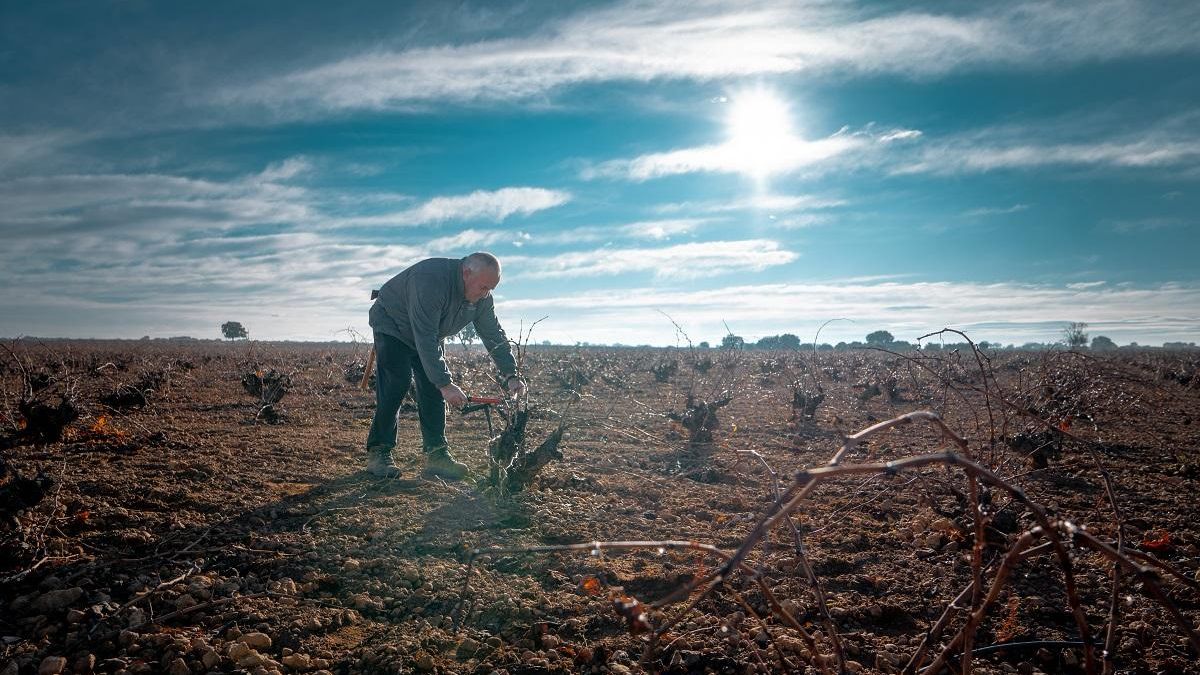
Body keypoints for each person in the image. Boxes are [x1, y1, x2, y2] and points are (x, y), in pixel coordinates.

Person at [365, 252, 526, 480]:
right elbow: (425, 335)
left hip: (429, 334)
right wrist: (445, 383)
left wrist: (511, 374)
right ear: (466, 273)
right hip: (393, 325)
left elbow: (493, 335)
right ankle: (379, 452)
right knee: (397, 382)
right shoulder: (430, 280)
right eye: (483, 287)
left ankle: (437, 456)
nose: (486, 293)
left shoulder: (482, 299)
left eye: (491, 288)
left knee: (432, 390)